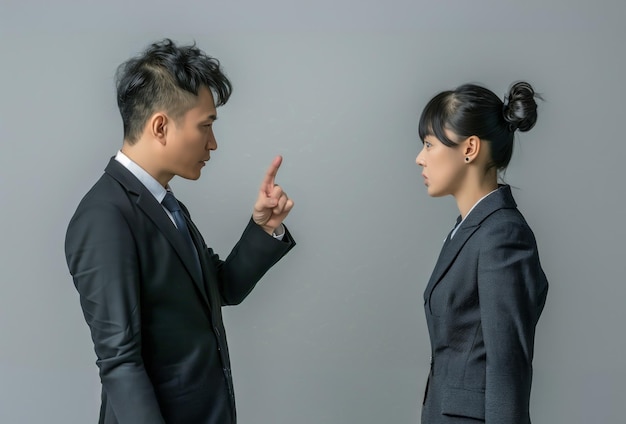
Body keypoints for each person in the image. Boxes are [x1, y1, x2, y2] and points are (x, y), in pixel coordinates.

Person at [64, 39, 295, 424]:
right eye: (205, 126)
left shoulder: (164, 204)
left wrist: (263, 228)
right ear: (160, 126)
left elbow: (220, 289)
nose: (213, 143)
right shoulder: (104, 217)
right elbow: (120, 362)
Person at [415, 82, 548, 423]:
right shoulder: (469, 229)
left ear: (470, 148)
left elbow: (508, 369)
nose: (420, 158)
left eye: (429, 144)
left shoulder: (502, 235)